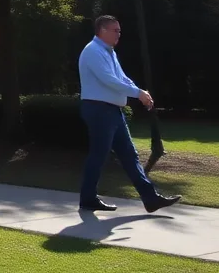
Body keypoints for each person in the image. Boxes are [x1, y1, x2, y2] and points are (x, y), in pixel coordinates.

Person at [78, 15, 181, 213]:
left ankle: (150, 199)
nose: (119, 34)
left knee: (129, 155)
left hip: (112, 111)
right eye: (115, 30)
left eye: (119, 30)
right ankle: (88, 198)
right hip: (98, 110)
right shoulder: (93, 51)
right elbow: (109, 80)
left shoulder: (109, 52)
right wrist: (137, 94)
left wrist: (139, 91)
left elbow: (121, 77)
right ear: (102, 31)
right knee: (99, 155)